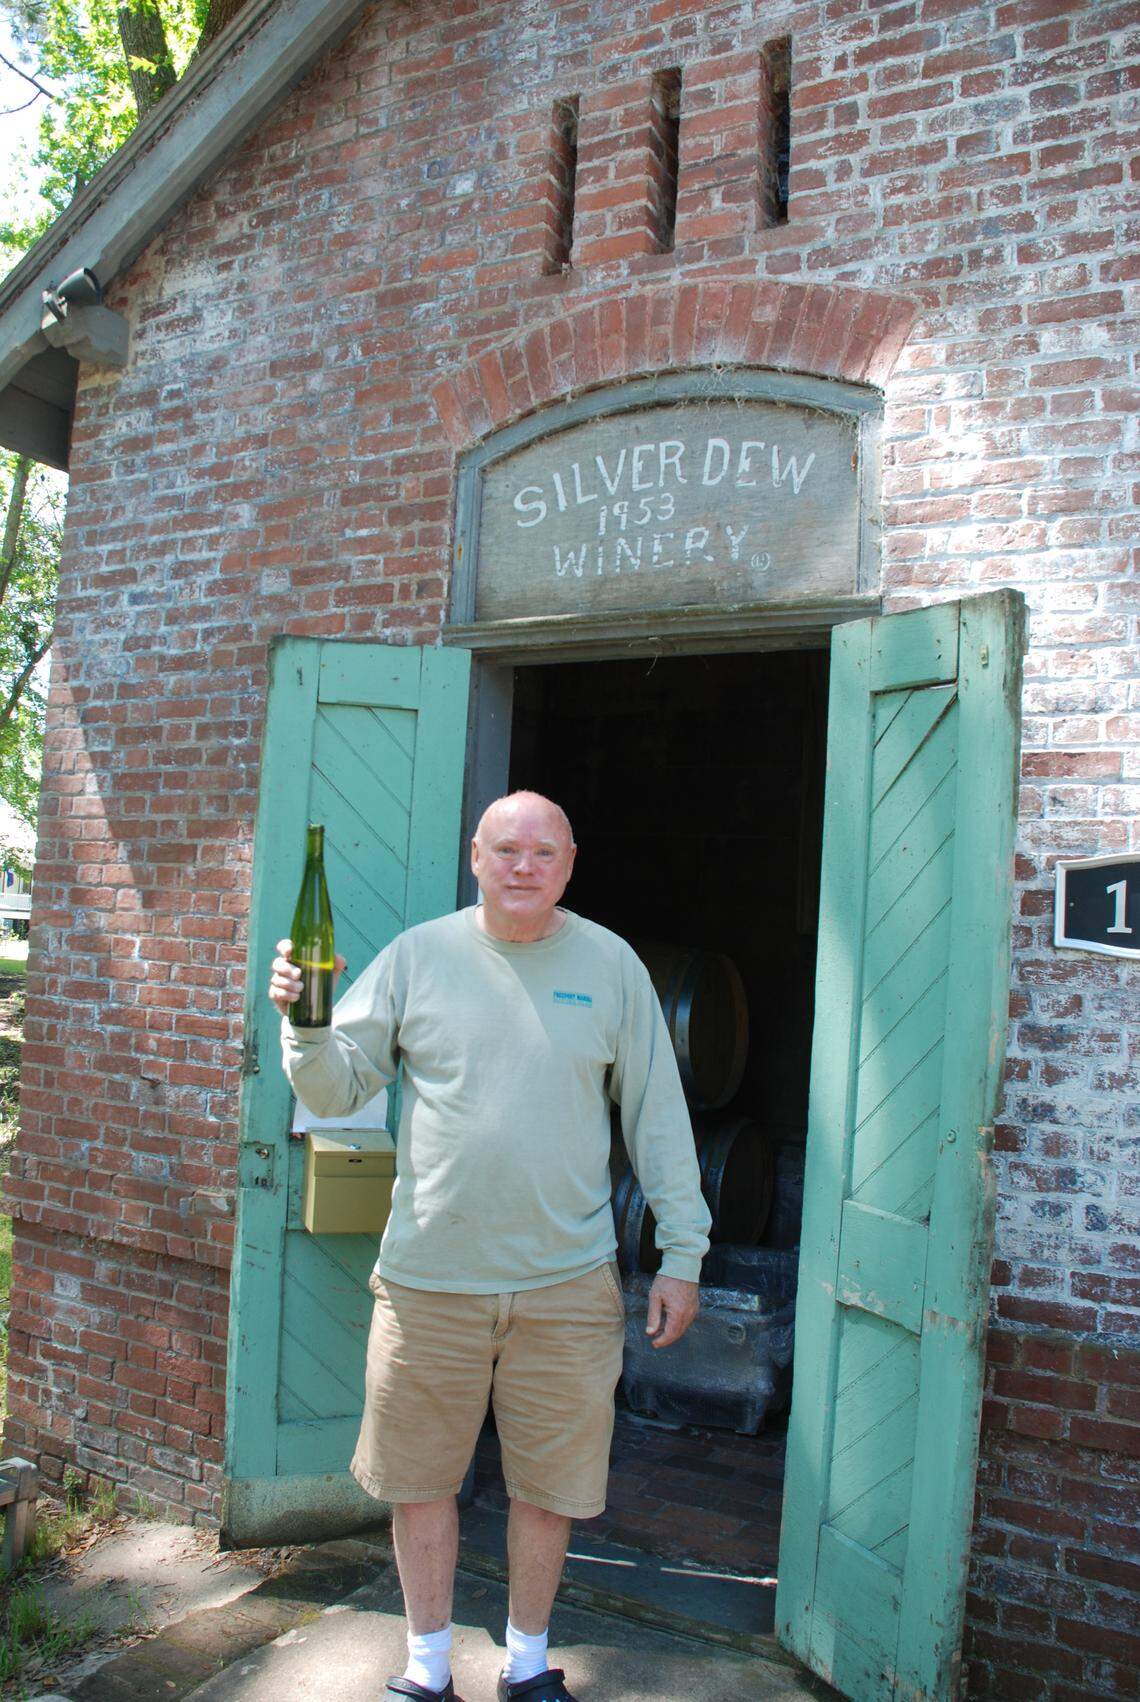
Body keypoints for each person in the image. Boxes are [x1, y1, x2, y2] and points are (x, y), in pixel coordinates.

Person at [270, 791, 710, 1702]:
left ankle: (526, 1662)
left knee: (547, 1488)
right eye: (506, 849)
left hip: (566, 1286)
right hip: (430, 1281)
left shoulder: (611, 965)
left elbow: (658, 1117)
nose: (523, 866)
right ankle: (426, 1668)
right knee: (420, 1481)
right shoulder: (418, 957)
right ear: (475, 857)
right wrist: (304, 1022)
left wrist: (684, 1255)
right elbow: (338, 1081)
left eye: (542, 852)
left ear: (570, 863)